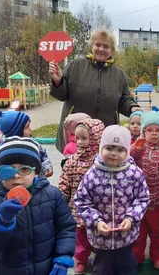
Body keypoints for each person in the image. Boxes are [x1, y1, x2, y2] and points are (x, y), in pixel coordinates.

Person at [0, 136, 76, 274]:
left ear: (36, 172)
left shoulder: (53, 196)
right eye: (7, 170)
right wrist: (1, 222)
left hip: (45, 268)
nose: (16, 176)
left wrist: (63, 256)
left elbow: (66, 228)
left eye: (24, 170)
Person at [49, 29, 141, 153]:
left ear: (112, 51)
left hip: (105, 132)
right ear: (92, 46)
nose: (101, 49)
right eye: (98, 45)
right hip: (75, 134)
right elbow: (62, 95)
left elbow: (124, 100)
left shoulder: (119, 75)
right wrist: (58, 81)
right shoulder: (76, 66)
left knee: (102, 169)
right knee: (74, 169)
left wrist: (132, 107)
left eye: (106, 46)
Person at [74, 125, 150, 275]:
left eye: (120, 150)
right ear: (101, 148)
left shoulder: (134, 173)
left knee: (127, 267)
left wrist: (131, 218)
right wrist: (96, 221)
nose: (114, 154)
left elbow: (142, 198)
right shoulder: (92, 175)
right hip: (101, 236)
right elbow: (81, 201)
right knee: (102, 268)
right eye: (109, 148)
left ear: (127, 151)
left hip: (126, 236)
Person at [58, 118, 104, 275]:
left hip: (97, 208)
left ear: (96, 138)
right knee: (81, 238)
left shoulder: (100, 162)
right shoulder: (72, 161)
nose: (79, 142)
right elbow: (65, 181)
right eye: (77, 138)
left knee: (99, 237)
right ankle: (81, 259)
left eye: (84, 138)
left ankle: (101, 260)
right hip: (76, 208)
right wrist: (62, 196)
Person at [130, 111, 159, 269]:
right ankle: (136, 255)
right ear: (143, 132)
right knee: (138, 231)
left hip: (157, 202)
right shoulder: (138, 149)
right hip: (138, 201)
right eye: (149, 130)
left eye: (157, 130)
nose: (154, 133)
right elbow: (128, 162)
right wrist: (136, 148)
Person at [0, 110, 53, 179]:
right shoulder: (2, 153)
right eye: (26, 127)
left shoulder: (33, 144)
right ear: (15, 133)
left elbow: (43, 156)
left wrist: (46, 168)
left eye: (29, 125)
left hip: (36, 185)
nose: (30, 129)